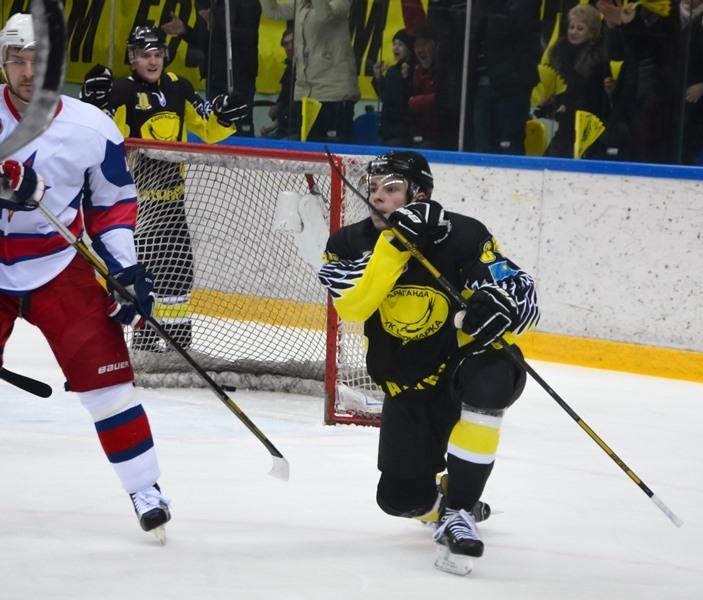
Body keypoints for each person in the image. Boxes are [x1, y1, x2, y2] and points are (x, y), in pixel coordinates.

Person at [318, 151, 539, 571]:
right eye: (372, 188)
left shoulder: (463, 234)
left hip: (461, 369)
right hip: (407, 384)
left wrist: (503, 307)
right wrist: (397, 246)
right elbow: (355, 305)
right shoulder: (347, 244)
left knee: (490, 379)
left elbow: (519, 288)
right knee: (398, 500)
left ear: (419, 194)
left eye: (391, 188)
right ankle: (446, 507)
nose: (377, 197)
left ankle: (461, 509)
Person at [0, 13, 170, 538]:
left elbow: (111, 207)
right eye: (16, 60)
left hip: (58, 265)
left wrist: (124, 269)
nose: (27, 72)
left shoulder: (92, 127)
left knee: (109, 385)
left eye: (38, 61)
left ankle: (145, 488)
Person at [80, 25, 247, 352]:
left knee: (180, 273)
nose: (153, 61)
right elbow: (98, 132)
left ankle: (179, 346)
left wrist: (225, 115)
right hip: (137, 207)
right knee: (144, 277)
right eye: (145, 55)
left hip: (173, 202)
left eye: (157, 54)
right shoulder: (121, 90)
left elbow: (207, 126)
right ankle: (144, 344)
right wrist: (91, 105)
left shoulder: (178, 87)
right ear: (132, 58)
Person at [260, 0, 361, 143]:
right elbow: (273, 11)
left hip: (334, 96)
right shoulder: (301, 4)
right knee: (309, 151)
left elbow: (325, 15)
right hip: (306, 96)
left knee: (335, 151)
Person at [161, 0, 262, 136]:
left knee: (238, 125)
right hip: (214, 75)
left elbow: (249, 37)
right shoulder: (210, 4)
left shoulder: (247, 3)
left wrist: (216, 26)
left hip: (239, 77)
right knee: (215, 124)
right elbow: (205, 42)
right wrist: (185, 30)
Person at [467, 0, 542, 155]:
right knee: (483, 146)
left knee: (509, 144)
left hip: (511, 83)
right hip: (482, 82)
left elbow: (506, 26)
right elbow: (469, 28)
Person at [536, 4, 611, 158]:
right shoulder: (560, 54)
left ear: (591, 33)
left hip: (590, 125)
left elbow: (594, 96)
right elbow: (564, 90)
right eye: (572, 27)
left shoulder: (598, 59)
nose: (574, 32)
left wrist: (567, 105)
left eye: (580, 28)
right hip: (568, 123)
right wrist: (551, 103)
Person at [372, 29, 415, 147]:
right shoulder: (392, 71)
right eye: (394, 44)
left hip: (404, 132)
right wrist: (378, 78)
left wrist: (406, 77)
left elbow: (410, 98)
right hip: (388, 130)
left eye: (400, 45)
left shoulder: (414, 69)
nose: (395, 48)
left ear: (409, 48)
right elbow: (385, 96)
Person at [407, 21, 441, 148]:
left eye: (423, 43)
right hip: (419, 137)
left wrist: (418, 102)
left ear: (436, 45)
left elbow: (445, 99)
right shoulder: (414, 72)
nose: (419, 49)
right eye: (416, 45)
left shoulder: (445, 71)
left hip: (440, 139)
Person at [260, 26, 298, 139]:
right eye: (286, 44)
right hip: (284, 129)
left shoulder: (307, 71)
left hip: (299, 131)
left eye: (293, 42)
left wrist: (277, 122)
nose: (290, 47)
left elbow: (300, 102)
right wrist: (276, 108)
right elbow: (284, 97)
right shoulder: (289, 70)